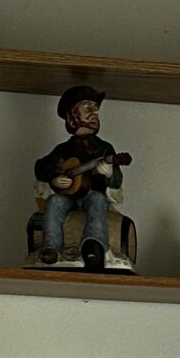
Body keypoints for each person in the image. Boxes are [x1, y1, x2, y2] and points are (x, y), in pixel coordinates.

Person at [31, 86, 133, 269]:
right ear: (72, 114)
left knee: (97, 200)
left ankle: (93, 245)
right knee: (54, 201)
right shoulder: (63, 149)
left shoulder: (104, 148)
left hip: (91, 193)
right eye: (88, 107)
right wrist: (54, 178)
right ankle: (51, 247)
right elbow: (40, 166)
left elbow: (117, 179)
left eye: (96, 108)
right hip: (68, 196)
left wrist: (109, 173)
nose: (95, 112)